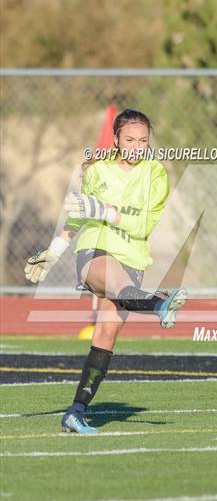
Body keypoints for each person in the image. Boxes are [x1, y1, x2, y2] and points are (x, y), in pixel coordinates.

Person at [24, 108, 186, 434]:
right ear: (115, 139)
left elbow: (142, 226)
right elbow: (80, 216)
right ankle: (159, 304)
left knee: (106, 335)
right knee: (118, 284)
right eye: (129, 139)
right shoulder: (98, 170)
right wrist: (54, 253)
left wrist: (107, 211)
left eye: (143, 140)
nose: (136, 146)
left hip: (133, 257)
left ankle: (76, 411)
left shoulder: (155, 174)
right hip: (95, 251)